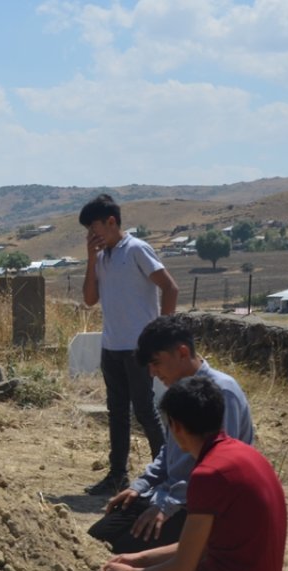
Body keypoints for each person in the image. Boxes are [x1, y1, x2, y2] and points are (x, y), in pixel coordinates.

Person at [76, 377, 284, 571]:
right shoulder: (245, 455)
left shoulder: (209, 474)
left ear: (175, 427)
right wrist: (139, 559)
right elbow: (203, 545)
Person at [88, 314, 255, 554]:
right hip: (167, 494)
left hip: (198, 505)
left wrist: (167, 506)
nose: (152, 373)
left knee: (120, 552)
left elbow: (218, 471)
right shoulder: (180, 390)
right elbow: (170, 450)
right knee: (96, 539)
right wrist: (142, 485)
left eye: (156, 363)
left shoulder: (221, 393)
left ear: (183, 352)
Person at [80, 194, 179, 496]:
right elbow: (89, 299)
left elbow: (169, 287)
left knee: (145, 411)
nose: (91, 235)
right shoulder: (103, 256)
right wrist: (90, 259)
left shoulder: (136, 249)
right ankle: (117, 475)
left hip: (138, 348)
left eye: (94, 227)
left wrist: (162, 334)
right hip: (111, 345)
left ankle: (166, 474)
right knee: (117, 412)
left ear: (111, 222)